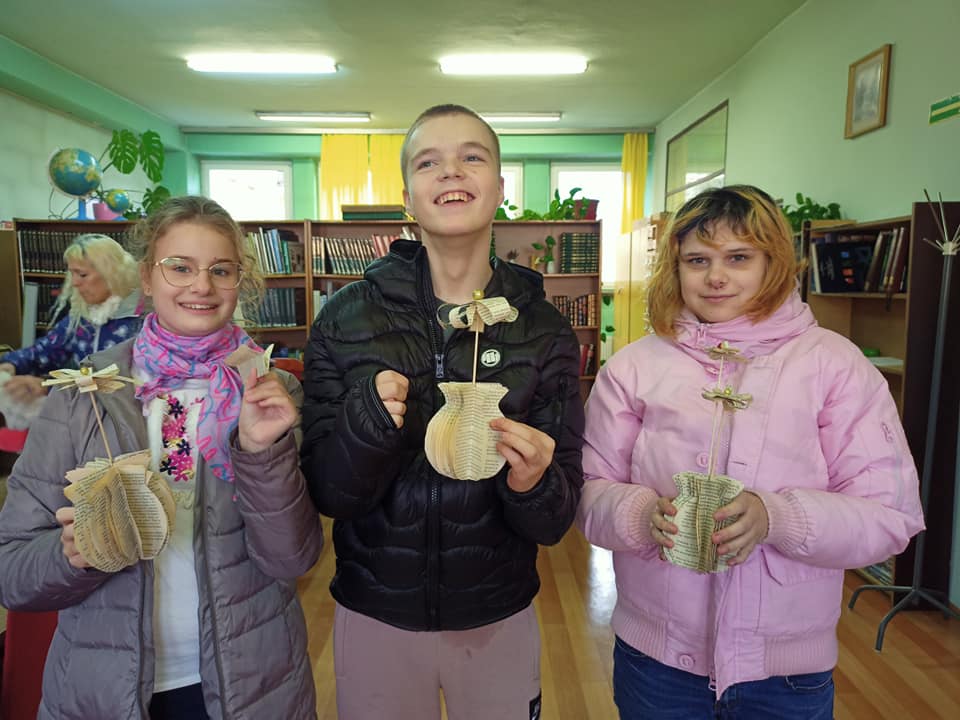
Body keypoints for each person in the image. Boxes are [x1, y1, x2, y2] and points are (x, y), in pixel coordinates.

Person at [576, 184, 924, 719]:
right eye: (697, 260)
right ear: (674, 268)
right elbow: (586, 492)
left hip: (786, 672)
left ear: (773, 262)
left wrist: (776, 517)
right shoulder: (633, 367)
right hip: (657, 661)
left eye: (738, 258)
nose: (716, 277)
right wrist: (639, 514)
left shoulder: (835, 365)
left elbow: (890, 515)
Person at [301, 104, 584, 720]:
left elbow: (554, 521)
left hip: (497, 612)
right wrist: (367, 424)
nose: (451, 171)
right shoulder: (345, 317)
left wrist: (534, 482)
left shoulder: (544, 329)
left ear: (500, 188)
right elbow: (330, 494)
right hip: (374, 611)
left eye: (471, 157)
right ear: (408, 197)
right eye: (429, 162)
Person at [0, 196, 323, 720]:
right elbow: (12, 571)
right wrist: (72, 555)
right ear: (147, 277)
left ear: (239, 281)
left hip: (250, 683)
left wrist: (262, 453)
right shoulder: (83, 395)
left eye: (220, 270)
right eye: (181, 267)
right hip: (103, 690)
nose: (201, 286)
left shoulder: (271, 393)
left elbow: (291, 559)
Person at [0, 233, 143, 405]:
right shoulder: (83, 318)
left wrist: (50, 388)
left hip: (125, 417)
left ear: (112, 274)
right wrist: (12, 364)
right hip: (82, 411)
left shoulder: (140, 322)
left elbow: (119, 384)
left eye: (82, 275)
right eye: (72, 274)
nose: (74, 282)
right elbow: (47, 349)